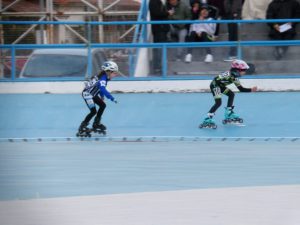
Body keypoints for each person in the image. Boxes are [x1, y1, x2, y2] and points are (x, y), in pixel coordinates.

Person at [199, 59, 258, 128]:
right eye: (243, 70)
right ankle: (207, 119)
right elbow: (216, 80)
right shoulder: (228, 75)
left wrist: (251, 90)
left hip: (221, 86)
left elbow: (240, 89)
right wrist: (251, 90)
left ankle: (228, 113)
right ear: (237, 70)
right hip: (215, 85)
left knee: (231, 94)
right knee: (218, 103)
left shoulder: (234, 78)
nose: (244, 72)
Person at [77, 61, 118, 136]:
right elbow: (102, 89)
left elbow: (100, 88)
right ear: (108, 72)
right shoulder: (103, 79)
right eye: (114, 73)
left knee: (103, 105)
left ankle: (96, 123)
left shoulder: (104, 77)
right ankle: (82, 126)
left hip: (92, 93)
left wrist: (102, 97)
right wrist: (111, 98)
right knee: (93, 111)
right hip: (87, 95)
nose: (115, 75)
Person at [149, 0, 171, 74]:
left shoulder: (161, 2)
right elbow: (157, 13)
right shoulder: (153, 2)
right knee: (158, 49)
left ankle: (160, 67)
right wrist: (168, 13)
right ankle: (158, 68)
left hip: (162, 29)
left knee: (160, 49)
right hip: (158, 29)